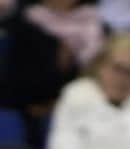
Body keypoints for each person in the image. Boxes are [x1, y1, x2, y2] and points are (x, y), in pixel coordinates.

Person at [6, 0, 106, 128]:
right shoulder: (27, 24)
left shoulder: (95, 22)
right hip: (38, 111)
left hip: (92, 105)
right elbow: (19, 83)